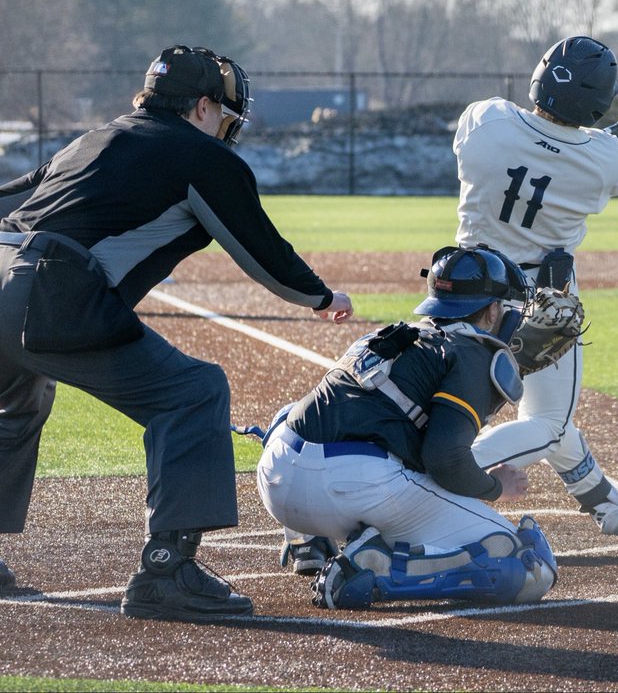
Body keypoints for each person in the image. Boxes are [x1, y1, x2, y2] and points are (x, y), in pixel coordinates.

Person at [0, 44, 354, 622]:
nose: (226, 126)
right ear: (203, 106)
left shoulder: (96, 135)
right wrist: (318, 296)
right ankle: (168, 570)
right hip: (52, 291)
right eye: (224, 113)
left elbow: (17, 192)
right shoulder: (202, 155)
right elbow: (259, 247)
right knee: (193, 393)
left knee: (19, 401)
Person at [257, 245, 558, 609]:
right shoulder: (472, 354)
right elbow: (444, 460)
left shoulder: (391, 335)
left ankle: (308, 540)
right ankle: (378, 572)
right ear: (492, 310)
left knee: (296, 413)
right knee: (529, 563)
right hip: (350, 487)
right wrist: (494, 486)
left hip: (275, 479)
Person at [453, 36, 618, 536]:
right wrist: (575, 140)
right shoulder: (606, 160)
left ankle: (607, 504)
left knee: (544, 413)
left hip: (460, 287)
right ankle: (438, 474)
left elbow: (509, 142)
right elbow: (604, 171)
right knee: (546, 424)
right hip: (537, 302)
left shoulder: (487, 120)